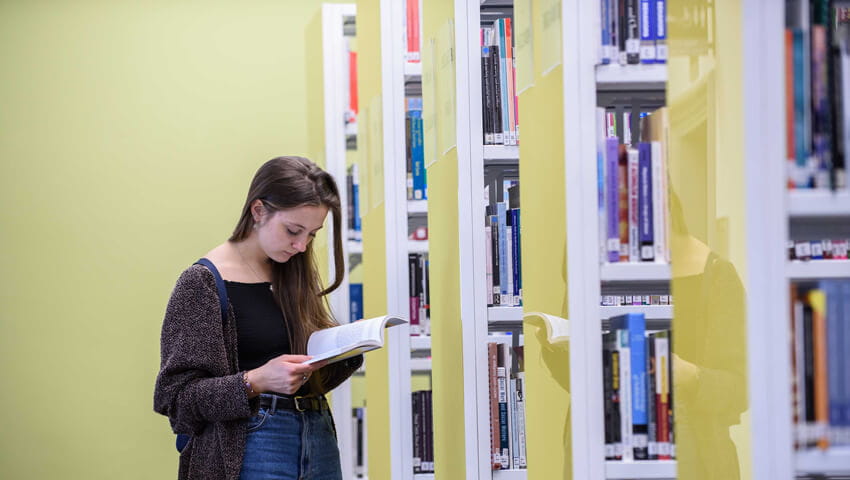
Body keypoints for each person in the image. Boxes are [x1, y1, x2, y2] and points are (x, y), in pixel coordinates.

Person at [154, 156, 363, 480]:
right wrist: (255, 381)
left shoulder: (293, 273)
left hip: (317, 434)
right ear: (258, 211)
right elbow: (178, 401)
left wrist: (343, 353)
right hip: (251, 444)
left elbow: (306, 379)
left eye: (312, 235)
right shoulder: (202, 283)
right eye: (293, 230)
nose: (301, 245)